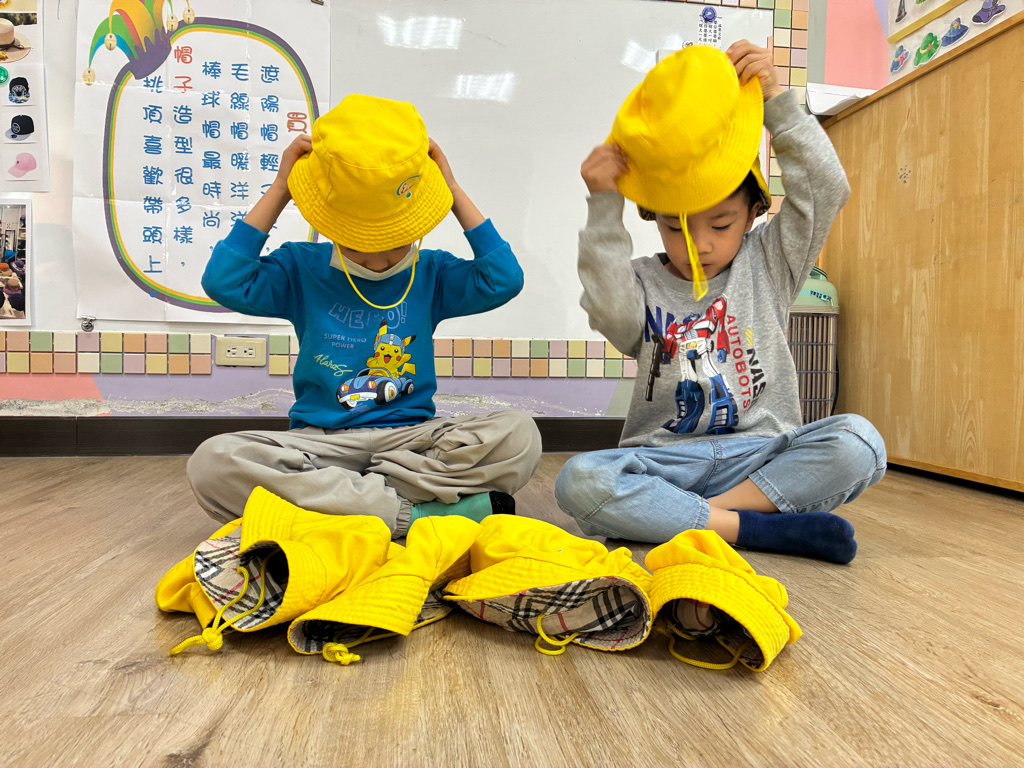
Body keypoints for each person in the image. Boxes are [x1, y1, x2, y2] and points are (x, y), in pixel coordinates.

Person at [554, 42, 885, 564]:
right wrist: (604, 202)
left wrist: (776, 103)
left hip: (759, 456)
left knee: (860, 441)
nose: (698, 245)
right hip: (664, 462)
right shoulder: (640, 281)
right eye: (674, 227)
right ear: (654, 218)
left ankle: (697, 519)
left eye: (721, 224)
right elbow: (608, 310)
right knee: (580, 479)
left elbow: (825, 188)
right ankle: (754, 528)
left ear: (754, 212)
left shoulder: (770, 261)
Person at [189, 94, 541, 538]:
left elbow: (503, 279)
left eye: (396, 240)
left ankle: (344, 505)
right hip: (320, 444)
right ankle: (414, 517)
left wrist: (449, 189)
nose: (377, 259)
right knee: (212, 462)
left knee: (519, 434)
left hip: (411, 444)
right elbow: (223, 281)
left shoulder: (431, 272)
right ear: (331, 227)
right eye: (358, 242)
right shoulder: (300, 267)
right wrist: (282, 188)